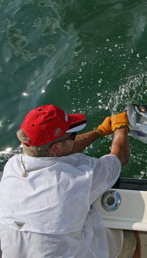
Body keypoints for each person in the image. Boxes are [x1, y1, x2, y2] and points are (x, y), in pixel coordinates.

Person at [0, 104, 137, 257]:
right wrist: (121, 129)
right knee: (130, 238)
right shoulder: (80, 179)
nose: (74, 137)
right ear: (56, 148)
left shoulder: (12, 167)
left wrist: (99, 132)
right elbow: (118, 158)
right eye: (72, 135)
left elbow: (63, 149)